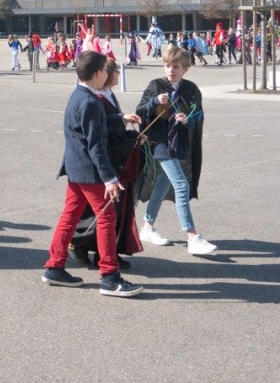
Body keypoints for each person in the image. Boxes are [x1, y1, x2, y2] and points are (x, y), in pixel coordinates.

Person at [41, 50, 143, 297]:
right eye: (106, 70)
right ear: (98, 73)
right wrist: (110, 178)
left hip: (76, 169)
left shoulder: (80, 95)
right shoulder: (90, 101)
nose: (108, 74)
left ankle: (54, 265)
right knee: (107, 218)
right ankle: (109, 276)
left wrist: (119, 118)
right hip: (90, 172)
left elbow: (94, 125)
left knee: (70, 215)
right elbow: (95, 145)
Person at [136, 45, 216, 256]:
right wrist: (154, 101)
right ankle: (192, 236)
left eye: (176, 66)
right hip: (158, 144)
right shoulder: (156, 85)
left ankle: (147, 227)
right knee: (181, 185)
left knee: (162, 185)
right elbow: (140, 110)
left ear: (185, 69)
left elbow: (198, 115)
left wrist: (187, 119)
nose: (171, 70)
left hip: (178, 143)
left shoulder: (191, 89)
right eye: (167, 65)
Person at [70, 60, 143, 268]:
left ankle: (108, 251)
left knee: (116, 210)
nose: (119, 74)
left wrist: (129, 132)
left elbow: (112, 126)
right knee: (98, 213)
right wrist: (123, 123)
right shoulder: (93, 98)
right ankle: (82, 246)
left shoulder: (107, 94)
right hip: (105, 160)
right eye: (114, 71)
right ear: (103, 74)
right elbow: (100, 132)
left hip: (117, 157)